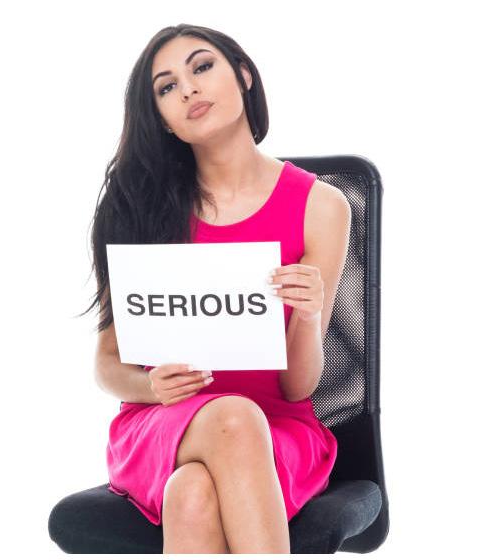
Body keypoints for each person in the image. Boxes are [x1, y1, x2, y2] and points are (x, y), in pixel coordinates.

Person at [80, 23, 351, 554]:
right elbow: (107, 365)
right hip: (162, 424)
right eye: (166, 87)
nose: (188, 89)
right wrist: (152, 387)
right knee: (232, 418)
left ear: (243, 75)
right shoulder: (135, 206)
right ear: (161, 118)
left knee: (193, 494)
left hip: (279, 428)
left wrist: (308, 315)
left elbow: (296, 388)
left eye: (202, 67)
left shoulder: (322, 206)